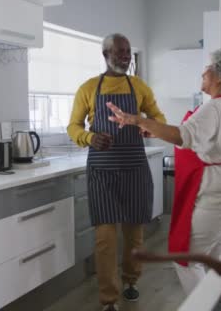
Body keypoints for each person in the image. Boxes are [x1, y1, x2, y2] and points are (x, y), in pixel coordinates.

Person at [106, 48, 221, 294]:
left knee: (184, 258)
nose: (203, 70)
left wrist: (138, 120)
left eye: (208, 67)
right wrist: (155, 129)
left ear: (219, 77)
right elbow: (192, 134)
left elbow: (183, 136)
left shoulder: (214, 108)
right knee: (218, 259)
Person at [67, 33, 166, 311]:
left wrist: (148, 125)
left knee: (134, 234)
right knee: (105, 239)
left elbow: (160, 119)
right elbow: (73, 127)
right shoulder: (88, 88)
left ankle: (131, 280)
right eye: (120, 52)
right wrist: (90, 138)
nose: (125, 56)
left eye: (127, 52)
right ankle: (109, 299)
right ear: (105, 55)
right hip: (102, 171)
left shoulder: (139, 87)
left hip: (134, 168)